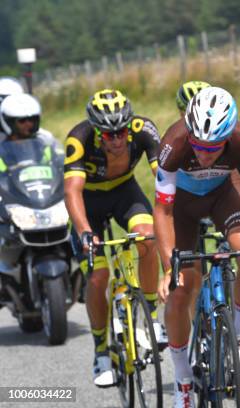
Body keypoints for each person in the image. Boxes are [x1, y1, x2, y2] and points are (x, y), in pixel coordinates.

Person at [155, 86, 240, 407]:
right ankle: (183, 380)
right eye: (199, 145)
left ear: (228, 135)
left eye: (214, 146)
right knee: (181, 287)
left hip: (222, 195)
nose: (204, 153)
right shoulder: (173, 145)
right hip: (183, 207)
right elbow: (162, 210)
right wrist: (168, 267)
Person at [63, 89, 165, 387]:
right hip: (89, 203)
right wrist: (83, 231)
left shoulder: (143, 130)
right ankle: (101, 352)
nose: (117, 140)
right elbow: (72, 191)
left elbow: (164, 180)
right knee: (98, 276)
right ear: (97, 131)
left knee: (148, 239)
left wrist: (170, 220)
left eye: (120, 132)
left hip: (124, 193)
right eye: (109, 135)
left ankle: (151, 317)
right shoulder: (78, 138)